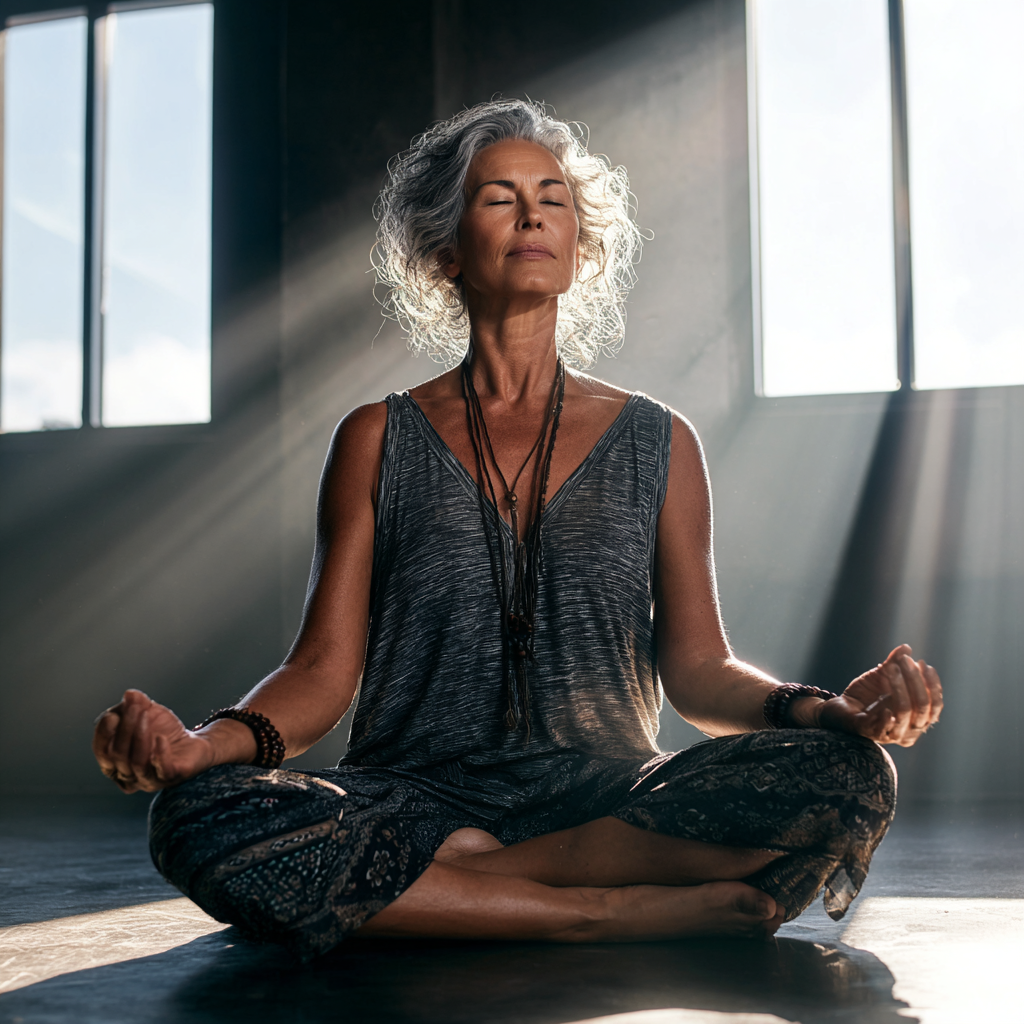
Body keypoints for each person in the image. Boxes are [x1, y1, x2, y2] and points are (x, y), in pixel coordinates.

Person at [92, 99, 942, 960]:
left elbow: (698, 670)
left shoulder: (660, 440)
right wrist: (205, 747)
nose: (533, 213)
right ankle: (601, 912)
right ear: (445, 250)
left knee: (850, 776)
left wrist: (821, 710)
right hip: (411, 796)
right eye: (499, 197)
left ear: (580, 248)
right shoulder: (376, 439)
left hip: (609, 799)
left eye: (555, 198)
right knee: (197, 817)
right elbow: (318, 674)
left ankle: (448, 894)